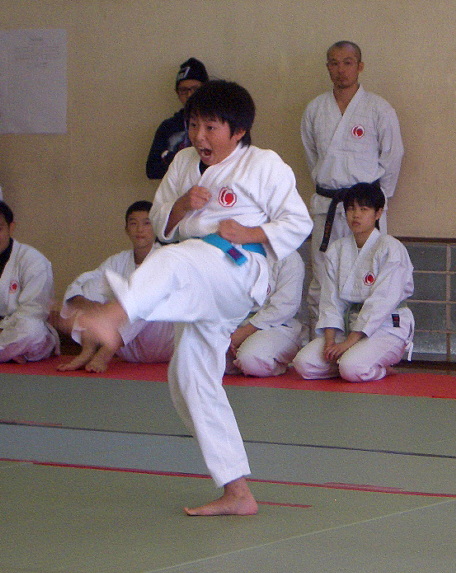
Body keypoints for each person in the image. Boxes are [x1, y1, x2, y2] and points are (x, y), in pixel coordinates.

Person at [78, 80, 313, 516]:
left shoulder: (264, 165)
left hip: (237, 267)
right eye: (193, 125)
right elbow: (161, 223)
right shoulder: (184, 162)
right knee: (188, 376)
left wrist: (251, 232)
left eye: (211, 127)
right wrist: (183, 206)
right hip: (202, 279)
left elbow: (298, 223)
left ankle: (115, 316)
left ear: (238, 131)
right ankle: (237, 490)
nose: (199, 137)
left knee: (176, 261)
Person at [301, 40, 404, 319]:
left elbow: (393, 156)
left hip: (366, 205)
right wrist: (330, 182)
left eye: (347, 62)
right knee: (323, 276)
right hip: (329, 204)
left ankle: (364, 341)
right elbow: (314, 158)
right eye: (334, 63)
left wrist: (376, 201)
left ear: (360, 67)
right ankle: (320, 343)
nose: (340, 69)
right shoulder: (314, 110)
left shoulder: (378, 109)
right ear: (327, 67)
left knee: (370, 272)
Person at [293, 182, 414, 382]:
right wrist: (330, 342)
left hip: (386, 327)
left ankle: (378, 369)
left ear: (378, 213)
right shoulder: (337, 249)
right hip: (347, 326)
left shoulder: (391, 248)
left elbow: (381, 302)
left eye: (364, 209)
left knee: (352, 368)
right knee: (304, 364)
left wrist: (348, 344)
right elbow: (330, 300)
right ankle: (347, 362)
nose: (355, 215)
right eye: (351, 209)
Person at [54, 201, 174, 372]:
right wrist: (88, 304)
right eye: (133, 223)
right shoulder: (118, 261)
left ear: (156, 227)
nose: (139, 229)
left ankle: (104, 355)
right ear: (126, 229)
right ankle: (88, 349)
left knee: (142, 298)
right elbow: (85, 283)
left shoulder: (166, 258)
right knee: (91, 285)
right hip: (127, 350)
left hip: (160, 344)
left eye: (146, 223)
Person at [227, 250, 305, 377]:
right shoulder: (231, 251)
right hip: (233, 325)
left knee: (250, 360)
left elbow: (284, 307)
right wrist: (225, 333)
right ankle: (237, 361)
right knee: (202, 359)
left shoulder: (288, 256)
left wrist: (243, 333)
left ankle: (275, 363)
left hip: (277, 327)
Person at [0, 201, 59, 363]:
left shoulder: (33, 261)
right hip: (6, 336)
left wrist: (2, 328)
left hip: (19, 328)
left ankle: (11, 350)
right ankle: (10, 353)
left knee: (31, 330)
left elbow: (34, 312)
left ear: (11, 228)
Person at [146, 57, 209, 179]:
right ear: (177, 93)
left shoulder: (219, 124)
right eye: (183, 90)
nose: (189, 95)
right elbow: (152, 170)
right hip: (177, 193)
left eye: (195, 89)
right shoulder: (168, 126)